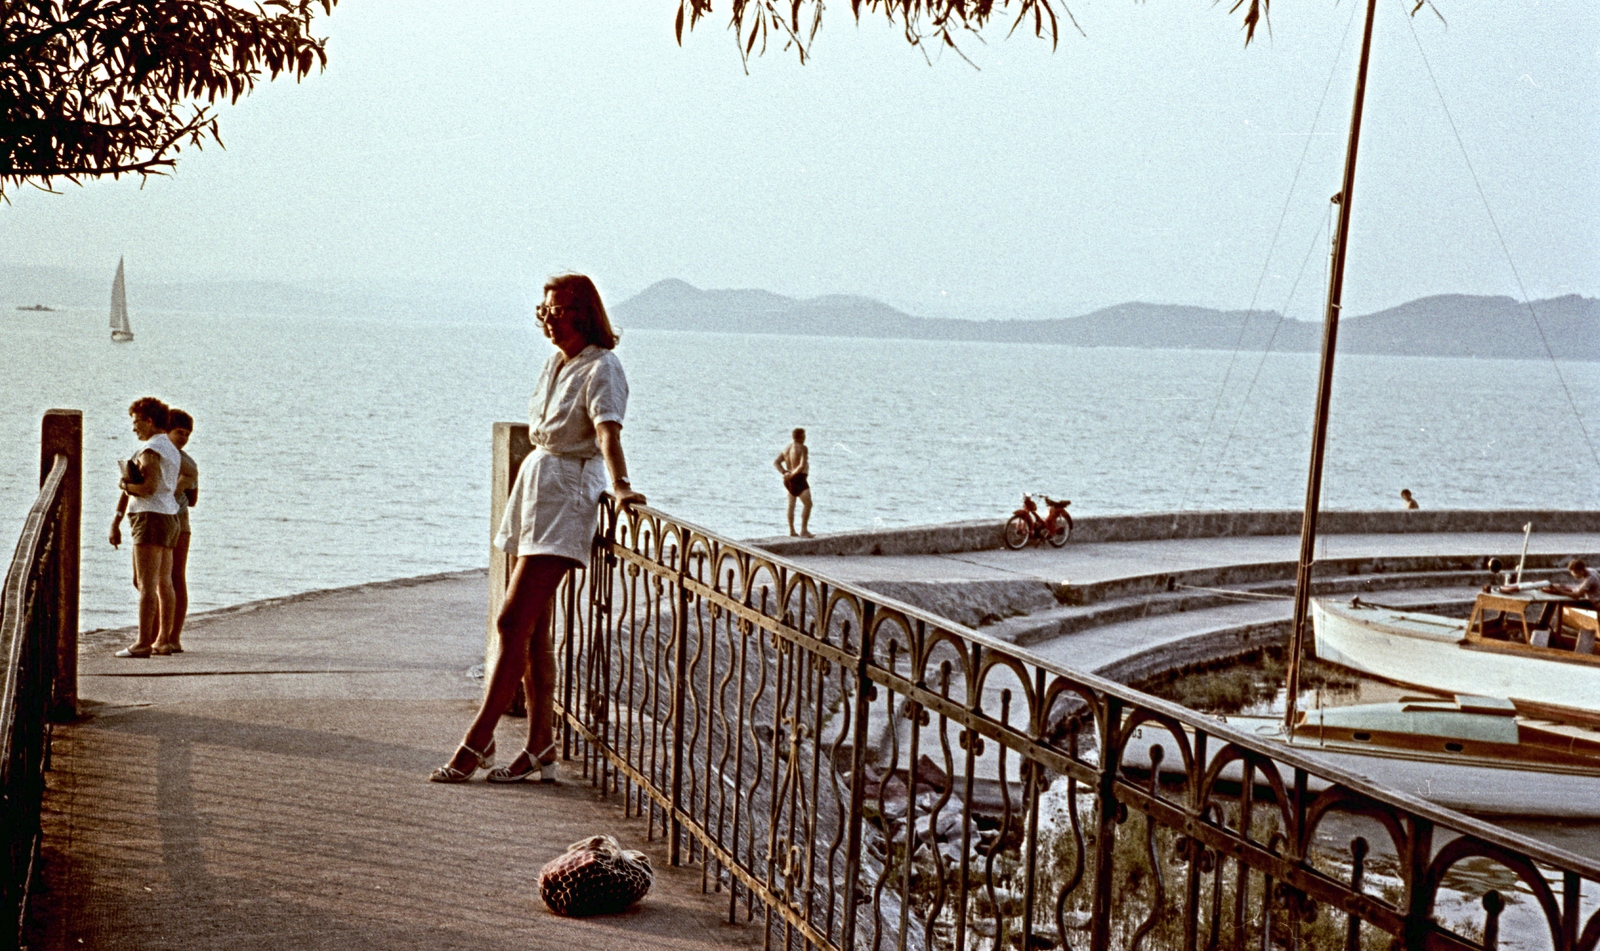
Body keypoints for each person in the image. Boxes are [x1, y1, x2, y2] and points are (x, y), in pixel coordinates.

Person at [431, 274, 645, 784]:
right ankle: (541, 745)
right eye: (544, 308)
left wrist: (621, 485)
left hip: (567, 495)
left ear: (582, 312)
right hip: (536, 492)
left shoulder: (603, 367)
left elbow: (607, 432)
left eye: (557, 309)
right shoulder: (556, 363)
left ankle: (478, 741)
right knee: (535, 631)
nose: (547, 317)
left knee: (511, 622)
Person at [108, 397, 183, 657]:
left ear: (149, 421)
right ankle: (163, 640)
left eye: (136, 422)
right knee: (164, 581)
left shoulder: (151, 449)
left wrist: (125, 485)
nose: (134, 428)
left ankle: (142, 642)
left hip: (149, 516)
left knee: (146, 583)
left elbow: (148, 487)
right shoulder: (171, 448)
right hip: (169, 515)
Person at [166, 409, 200, 653]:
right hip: (160, 522)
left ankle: (173, 636)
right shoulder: (156, 454)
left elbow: (193, 499)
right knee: (149, 580)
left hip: (179, 523)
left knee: (176, 577)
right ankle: (162, 632)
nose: (184, 438)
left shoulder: (187, 463)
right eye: (179, 433)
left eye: (187, 435)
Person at [774, 427, 813, 538]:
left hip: (788, 481)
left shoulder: (787, 448)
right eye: (804, 435)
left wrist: (784, 472)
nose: (805, 437)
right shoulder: (803, 448)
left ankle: (791, 530)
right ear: (801, 437)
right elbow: (801, 465)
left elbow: (776, 462)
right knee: (808, 504)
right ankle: (803, 530)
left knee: (791, 505)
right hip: (799, 479)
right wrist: (792, 475)